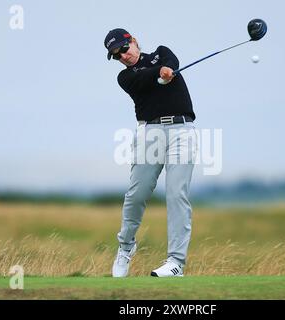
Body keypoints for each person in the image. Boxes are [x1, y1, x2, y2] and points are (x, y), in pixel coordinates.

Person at [104, 28, 198, 277]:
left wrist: (166, 69)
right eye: (115, 55)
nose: (122, 56)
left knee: (177, 194)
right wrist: (161, 73)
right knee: (137, 194)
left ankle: (176, 262)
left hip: (182, 130)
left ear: (133, 41)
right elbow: (144, 79)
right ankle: (125, 247)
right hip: (150, 133)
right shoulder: (125, 78)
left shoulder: (161, 53)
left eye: (123, 49)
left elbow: (171, 62)